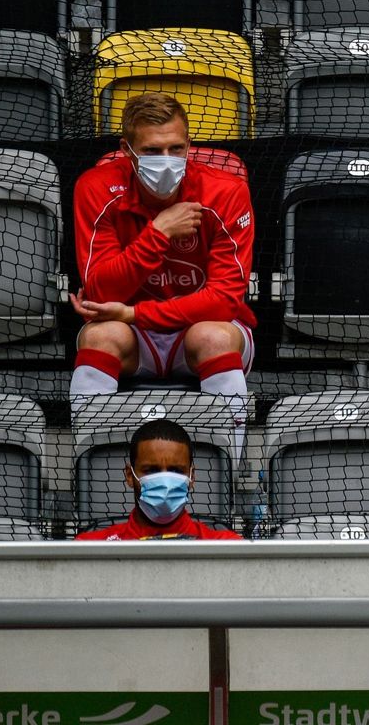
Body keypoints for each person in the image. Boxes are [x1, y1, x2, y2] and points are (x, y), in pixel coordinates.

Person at [68, 93, 256, 421]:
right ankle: (90, 447)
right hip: (129, 335)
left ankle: (230, 450)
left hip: (199, 327)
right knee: (99, 336)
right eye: (152, 151)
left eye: (176, 149)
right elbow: (100, 291)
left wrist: (133, 312)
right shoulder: (96, 186)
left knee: (214, 337)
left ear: (189, 145)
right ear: (127, 150)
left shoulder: (226, 191)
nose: (167, 161)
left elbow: (225, 300)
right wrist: (158, 233)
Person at [75, 417, 241, 540]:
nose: (165, 482)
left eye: (176, 470)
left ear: (192, 476)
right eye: (151, 470)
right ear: (130, 475)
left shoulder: (226, 546)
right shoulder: (91, 548)